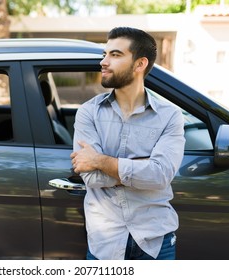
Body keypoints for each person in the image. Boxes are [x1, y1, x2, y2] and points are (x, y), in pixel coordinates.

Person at [70, 27, 185, 260]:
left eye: (115, 55)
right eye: (105, 54)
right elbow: (91, 177)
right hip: (105, 242)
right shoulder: (88, 113)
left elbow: (160, 175)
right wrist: (144, 170)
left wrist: (100, 160)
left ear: (139, 64)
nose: (104, 62)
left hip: (155, 241)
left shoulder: (170, 116)